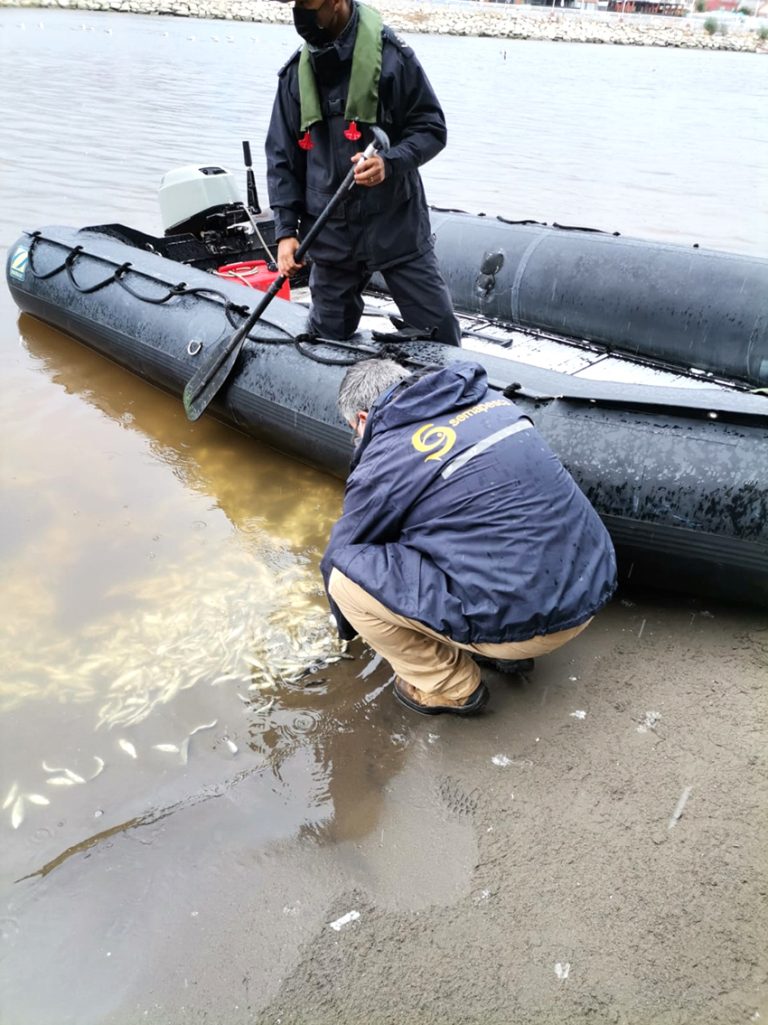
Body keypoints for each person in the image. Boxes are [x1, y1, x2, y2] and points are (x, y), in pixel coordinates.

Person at [320, 358, 618, 716]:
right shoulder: (491, 401)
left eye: (354, 430)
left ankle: (451, 687)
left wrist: (345, 631)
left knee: (346, 579)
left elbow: (345, 550)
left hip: (534, 622)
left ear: (363, 419)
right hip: (593, 583)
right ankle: (504, 651)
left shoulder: (387, 455)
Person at [266, 0, 462, 346]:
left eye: (307, 2)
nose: (299, 10)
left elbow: (432, 129)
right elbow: (282, 157)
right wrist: (285, 231)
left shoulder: (394, 58)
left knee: (441, 333)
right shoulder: (295, 74)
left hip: (395, 226)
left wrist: (390, 162)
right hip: (331, 235)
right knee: (325, 342)